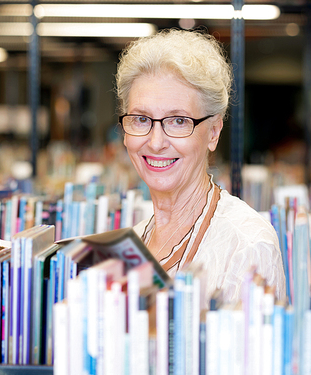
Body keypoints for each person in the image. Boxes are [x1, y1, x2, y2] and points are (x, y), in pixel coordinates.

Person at [115, 28, 286, 305]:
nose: (156, 142)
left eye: (179, 121)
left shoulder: (248, 245)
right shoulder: (131, 242)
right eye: (141, 119)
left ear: (214, 132)